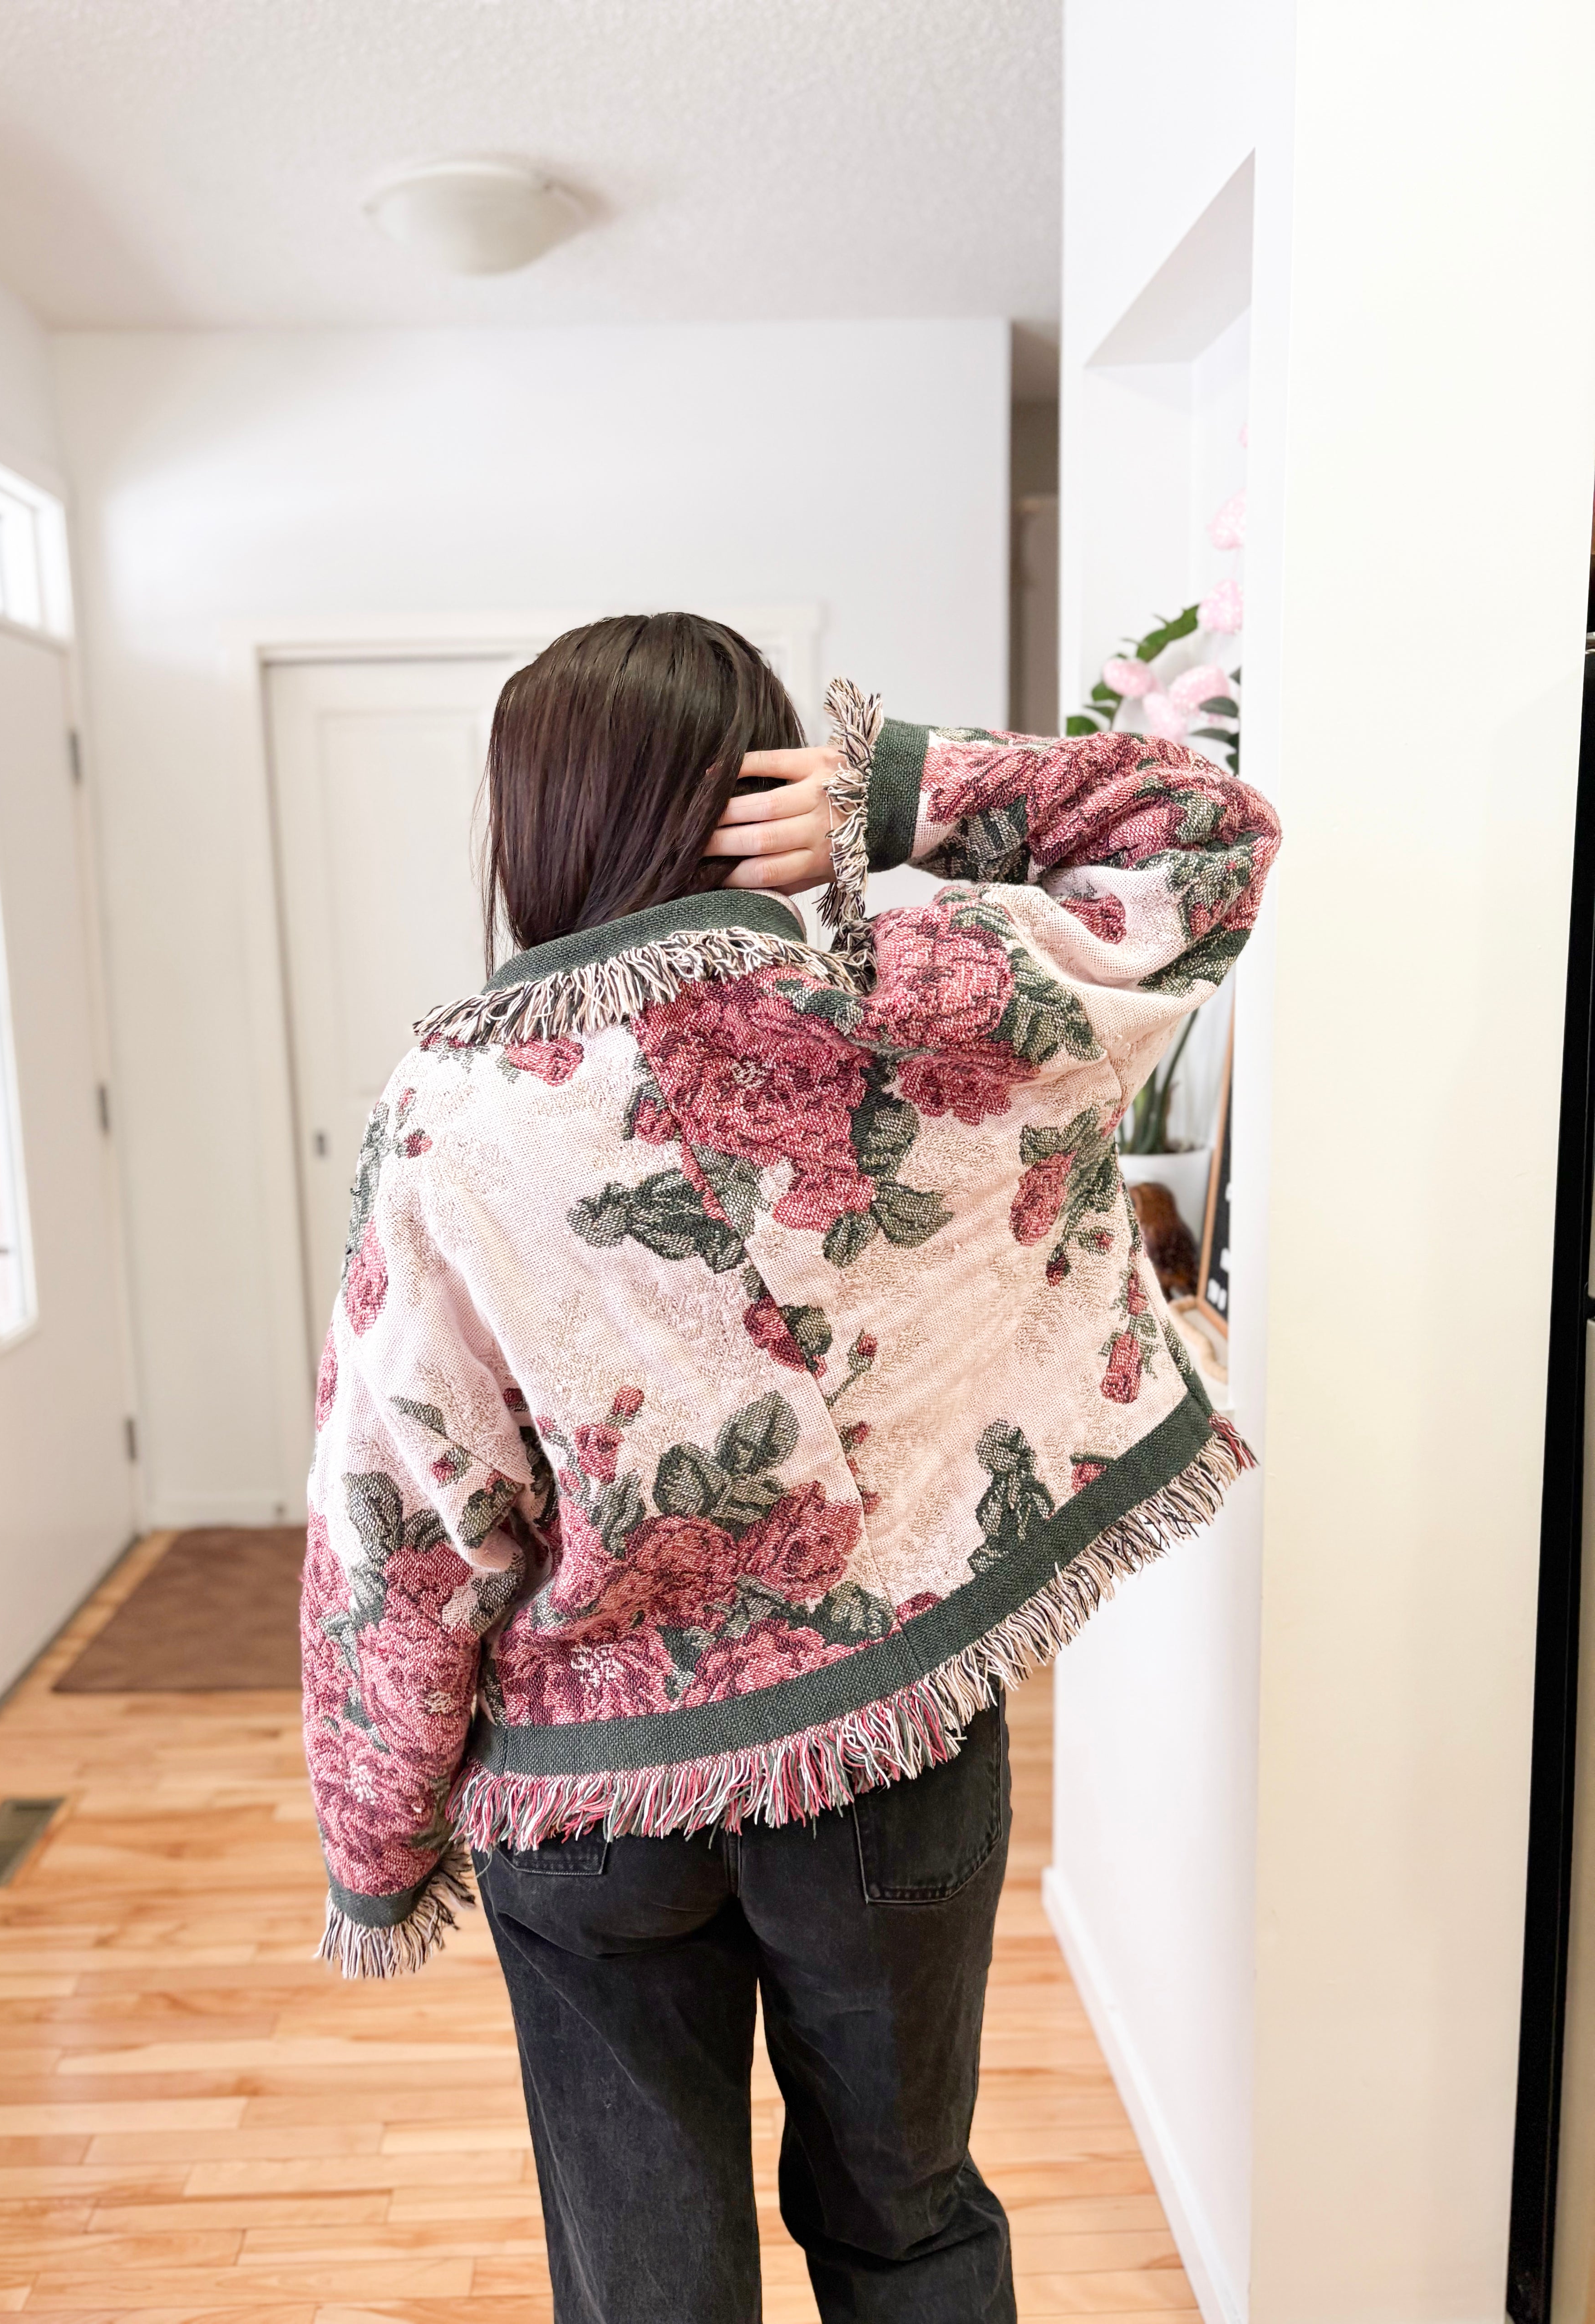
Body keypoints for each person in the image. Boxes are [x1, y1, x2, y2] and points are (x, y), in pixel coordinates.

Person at [299, 612, 1280, 2324]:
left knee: (646, 2277)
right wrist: (905, 796)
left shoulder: (451, 1107)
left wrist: (376, 1839)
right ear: (770, 787)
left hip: (593, 1806)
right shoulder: (922, 998)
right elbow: (1205, 837)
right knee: (905, 2220)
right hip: (887, 1751)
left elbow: (401, 1510)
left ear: (529, 823)